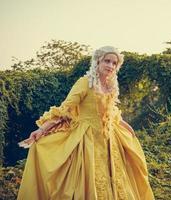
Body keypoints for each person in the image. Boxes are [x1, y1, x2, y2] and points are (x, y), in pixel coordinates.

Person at [17, 46, 154, 200]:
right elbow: (65, 109)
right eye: (107, 61)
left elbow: (111, 111)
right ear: (98, 61)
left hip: (109, 139)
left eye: (114, 63)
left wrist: (125, 125)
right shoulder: (85, 83)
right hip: (87, 138)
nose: (110, 66)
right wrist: (42, 129)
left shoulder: (111, 85)